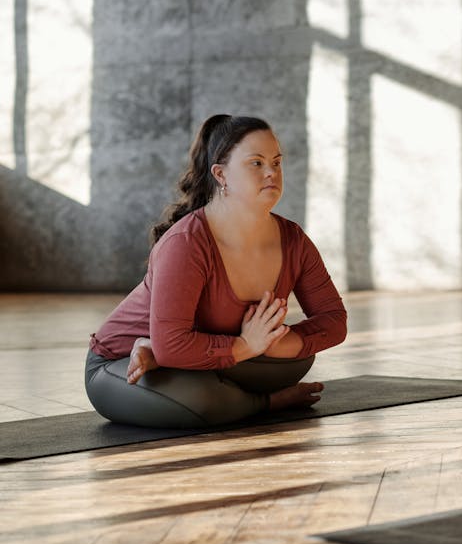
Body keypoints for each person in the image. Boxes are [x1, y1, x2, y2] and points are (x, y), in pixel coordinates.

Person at [85, 114, 347, 429]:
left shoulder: (293, 240)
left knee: (299, 356)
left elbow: (333, 320)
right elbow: (173, 343)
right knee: (204, 400)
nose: (271, 173)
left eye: (276, 163)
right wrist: (248, 347)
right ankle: (266, 402)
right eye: (256, 163)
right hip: (119, 364)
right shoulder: (187, 243)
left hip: (189, 352)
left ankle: (184, 364)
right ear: (221, 174)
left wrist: (279, 343)